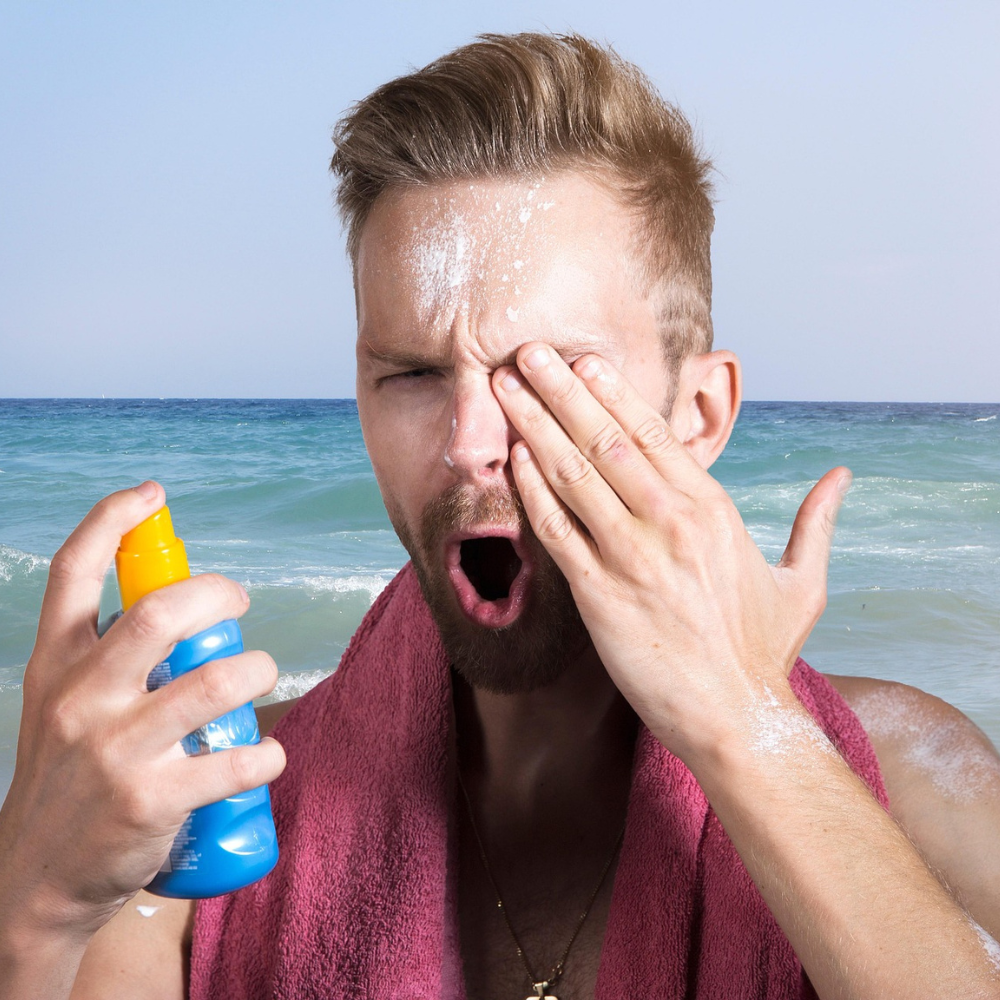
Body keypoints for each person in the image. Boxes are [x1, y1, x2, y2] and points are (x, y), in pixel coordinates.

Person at [2, 32, 999, 1000]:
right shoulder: (205, 828)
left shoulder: (915, 783)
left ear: (697, 416)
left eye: (547, 373)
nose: (468, 440)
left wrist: (747, 727)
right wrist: (32, 913)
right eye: (411, 374)